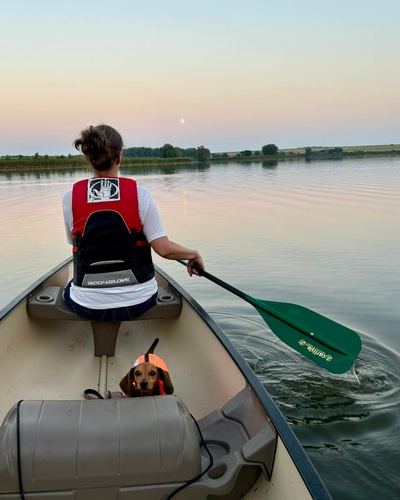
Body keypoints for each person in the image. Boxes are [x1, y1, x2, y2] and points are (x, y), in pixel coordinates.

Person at [62, 124, 204, 321]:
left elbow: (74, 241)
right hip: (140, 302)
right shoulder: (141, 195)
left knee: (70, 268)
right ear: (119, 157)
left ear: (88, 158)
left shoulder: (70, 198)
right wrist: (193, 254)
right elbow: (164, 249)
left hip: (88, 306)